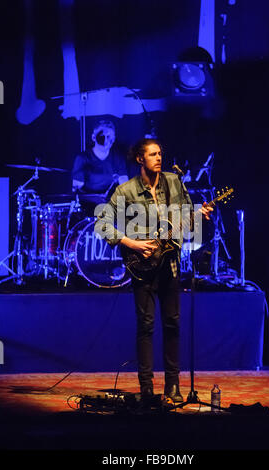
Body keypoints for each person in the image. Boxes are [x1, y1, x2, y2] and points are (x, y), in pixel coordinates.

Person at [94, 138, 212, 402]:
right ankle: (146, 387)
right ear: (139, 159)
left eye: (160, 153)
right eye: (153, 154)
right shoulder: (126, 191)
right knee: (145, 325)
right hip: (142, 268)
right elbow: (102, 223)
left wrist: (198, 216)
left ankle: (173, 386)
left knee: (173, 324)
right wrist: (131, 243)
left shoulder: (173, 183)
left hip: (170, 265)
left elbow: (187, 224)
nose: (159, 158)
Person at [72, 120, 128, 194]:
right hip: (89, 202)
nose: (105, 141)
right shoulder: (83, 158)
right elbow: (76, 188)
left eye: (109, 137)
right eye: (101, 136)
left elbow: (124, 187)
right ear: (93, 137)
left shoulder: (118, 158)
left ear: (114, 139)